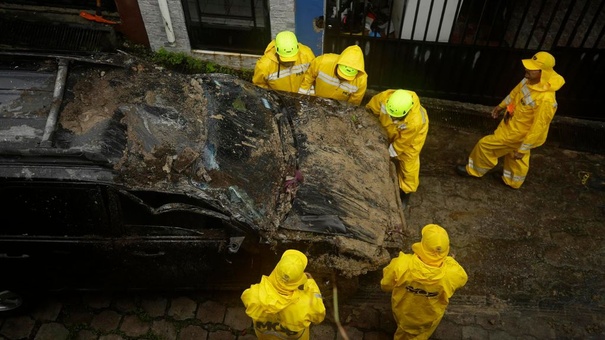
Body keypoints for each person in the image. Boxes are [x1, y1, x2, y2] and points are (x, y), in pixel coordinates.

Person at [456, 51, 566, 188]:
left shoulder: (546, 100)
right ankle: (513, 181)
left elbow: (538, 127)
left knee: (485, 145)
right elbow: (514, 94)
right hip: (512, 125)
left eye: (532, 68)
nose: (527, 69)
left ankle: (473, 170)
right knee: (516, 156)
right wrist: (501, 106)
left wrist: (524, 148)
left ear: (542, 72)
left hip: (516, 134)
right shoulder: (529, 80)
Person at [381, 224, 468, 340]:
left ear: (422, 245)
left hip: (403, 312)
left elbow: (385, 285)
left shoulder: (401, 264)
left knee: (405, 333)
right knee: (422, 334)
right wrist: (449, 261)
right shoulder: (452, 273)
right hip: (430, 316)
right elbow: (462, 280)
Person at [241, 249, 326, 340]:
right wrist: (311, 284)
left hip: (265, 337)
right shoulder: (308, 304)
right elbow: (319, 318)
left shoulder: (252, 294)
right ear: (299, 279)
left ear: (276, 268)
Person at [366, 89, 429, 208]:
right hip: (389, 128)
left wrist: (389, 153)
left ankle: (406, 191)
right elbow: (370, 110)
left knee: (408, 164)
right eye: (391, 115)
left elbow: (402, 143)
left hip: (412, 138)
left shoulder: (415, 121)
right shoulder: (384, 98)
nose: (393, 118)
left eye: (397, 117)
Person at [298, 44, 367, 105]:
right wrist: (301, 95)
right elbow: (309, 77)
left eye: (347, 77)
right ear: (337, 65)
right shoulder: (322, 62)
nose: (343, 78)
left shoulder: (361, 80)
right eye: (341, 74)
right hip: (317, 99)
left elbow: (354, 102)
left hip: (339, 108)